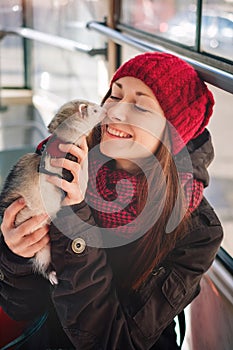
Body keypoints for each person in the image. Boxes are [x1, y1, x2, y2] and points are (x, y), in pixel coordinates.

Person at [0, 52, 223, 349]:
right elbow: (23, 308)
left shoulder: (197, 231)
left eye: (141, 107)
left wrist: (74, 221)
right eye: (114, 96)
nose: (115, 113)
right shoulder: (63, 161)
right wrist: (16, 256)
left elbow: (114, 342)